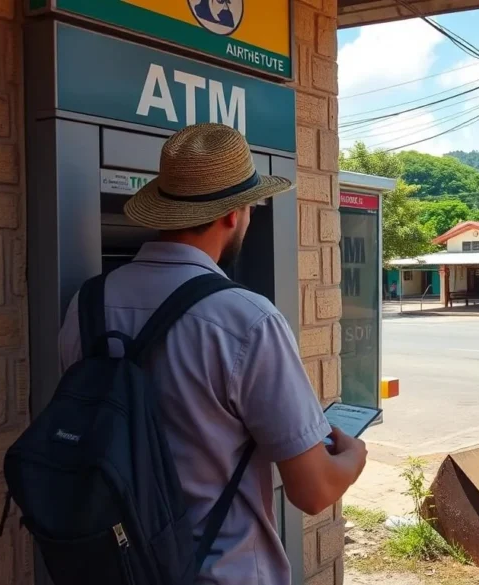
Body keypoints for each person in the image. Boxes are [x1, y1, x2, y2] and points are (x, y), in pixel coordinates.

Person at [57, 124, 367, 585]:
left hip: (112, 566)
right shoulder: (247, 320)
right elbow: (314, 490)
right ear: (232, 215)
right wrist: (354, 455)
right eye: (252, 207)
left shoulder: (85, 304)